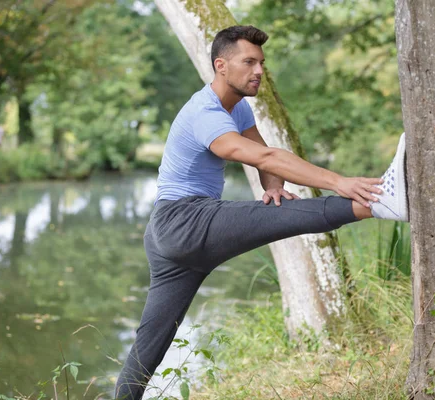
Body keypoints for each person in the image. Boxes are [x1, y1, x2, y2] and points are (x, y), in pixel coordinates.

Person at [115, 25, 408, 399]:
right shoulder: (205, 113)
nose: (259, 71)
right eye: (249, 62)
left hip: (163, 233)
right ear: (221, 65)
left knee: (149, 344)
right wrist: (339, 181)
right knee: (287, 217)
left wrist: (272, 186)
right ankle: (379, 201)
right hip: (184, 221)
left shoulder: (236, 106)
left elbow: (261, 151)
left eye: (262, 63)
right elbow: (266, 155)